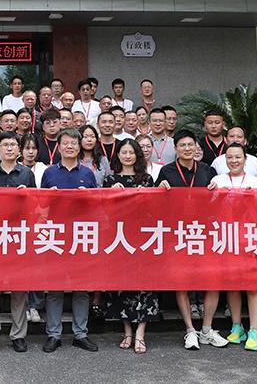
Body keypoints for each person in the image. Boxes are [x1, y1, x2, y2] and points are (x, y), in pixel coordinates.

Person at [155, 130, 228, 350]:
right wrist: (159, 189)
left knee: (212, 281)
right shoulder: (166, 171)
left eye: (190, 145)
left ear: (197, 147)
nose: (187, 149)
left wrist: (216, 189)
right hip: (177, 234)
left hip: (204, 233)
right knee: (183, 283)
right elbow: (155, 202)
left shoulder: (207, 170)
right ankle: (189, 330)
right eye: (182, 145)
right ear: (175, 149)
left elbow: (218, 201)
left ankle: (206, 329)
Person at [40, 128, 99, 353]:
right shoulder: (49, 173)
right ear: (59, 146)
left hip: (81, 235)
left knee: (81, 288)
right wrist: (50, 197)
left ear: (79, 146)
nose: (70, 147)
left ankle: (80, 334)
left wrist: (88, 197)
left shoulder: (88, 173)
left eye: (74, 143)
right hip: (56, 236)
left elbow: (97, 205)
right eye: (65, 143)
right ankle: (53, 334)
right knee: (54, 288)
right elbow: (40, 205)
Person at [0, 132, 35, 354]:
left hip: (19, 237)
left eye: (13, 144)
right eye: (5, 145)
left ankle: (18, 335)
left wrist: (28, 196)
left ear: (19, 149)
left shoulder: (27, 173)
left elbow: (36, 206)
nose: (9, 148)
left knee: (19, 290)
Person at [209, 143, 257, 351]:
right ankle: (237, 326)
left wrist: (255, 198)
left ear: (245, 159)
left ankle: (254, 330)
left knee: (253, 286)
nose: (234, 161)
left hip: (250, 238)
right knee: (232, 284)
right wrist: (213, 195)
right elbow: (208, 209)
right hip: (226, 239)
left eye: (238, 157)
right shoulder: (217, 180)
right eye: (230, 157)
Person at [102, 139, 157, 354]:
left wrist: (147, 195)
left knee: (145, 285)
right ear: (118, 155)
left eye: (131, 152)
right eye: (123, 152)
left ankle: (141, 333)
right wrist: (111, 193)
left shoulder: (147, 179)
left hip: (143, 238)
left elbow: (156, 209)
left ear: (137, 155)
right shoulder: (110, 180)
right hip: (119, 239)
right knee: (122, 285)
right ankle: (127, 332)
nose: (127, 156)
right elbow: (103, 211)